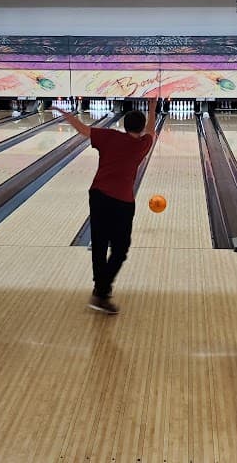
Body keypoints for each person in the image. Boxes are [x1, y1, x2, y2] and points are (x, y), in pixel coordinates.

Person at [50, 99, 157, 314]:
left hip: (98, 195)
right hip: (123, 202)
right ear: (140, 127)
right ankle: (101, 292)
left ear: (124, 125)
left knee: (99, 245)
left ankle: (101, 290)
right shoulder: (143, 144)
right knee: (120, 249)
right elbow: (152, 130)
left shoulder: (110, 136)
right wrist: (153, 108)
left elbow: (83, 129)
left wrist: (64, 113)